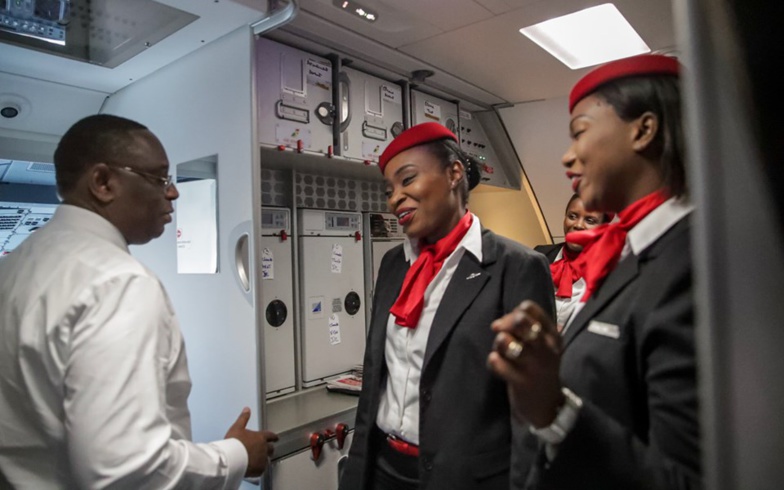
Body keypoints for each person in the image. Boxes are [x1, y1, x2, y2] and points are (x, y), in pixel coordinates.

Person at [0, 114, 278, 488]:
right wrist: (237, 455)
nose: (173, 192)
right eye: (159, 178)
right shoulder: (117, 283)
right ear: (102, 182)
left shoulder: (14, 265)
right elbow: (127, 470)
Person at [488, 54, 701, 489]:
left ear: (643, 130)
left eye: (580, 132)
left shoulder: (692, 264)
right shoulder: (631, 254)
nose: (567, 157)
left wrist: (556, 411)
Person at [338, 122, 555, 490]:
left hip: (465, 477)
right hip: (384, 470)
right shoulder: (394, 264)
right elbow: (377, 375)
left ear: (454, 174)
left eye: (407, 181)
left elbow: (529, 408)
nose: (395, 199)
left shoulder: (515, 267)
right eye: (389, 190)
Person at [534, 194, 611, 328]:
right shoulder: (539, 255)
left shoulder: (612, 272)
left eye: (590, 220)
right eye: (572, 216)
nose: (578, 225)